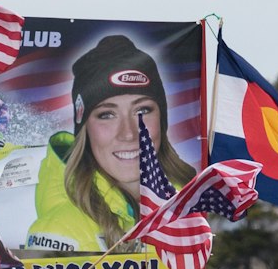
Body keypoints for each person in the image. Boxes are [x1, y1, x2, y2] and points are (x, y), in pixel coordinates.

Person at [25, 34, 191, 251]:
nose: (129, 133)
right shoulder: (59, 230)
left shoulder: (189, 213)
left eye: (142, 111)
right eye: (107, 115)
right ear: (85, 129)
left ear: (162, 120)